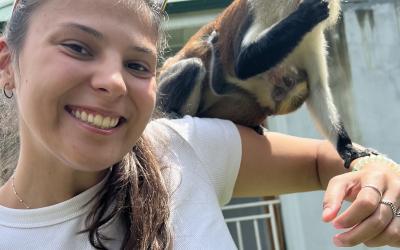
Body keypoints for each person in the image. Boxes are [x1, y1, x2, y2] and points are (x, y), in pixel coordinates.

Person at [0, 0, 399, 249]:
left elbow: (322, 162)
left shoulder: (180, 147)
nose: (114, 82)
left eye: (138, 64)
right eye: (77, 46)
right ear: (6, 64)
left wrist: (376, 170)